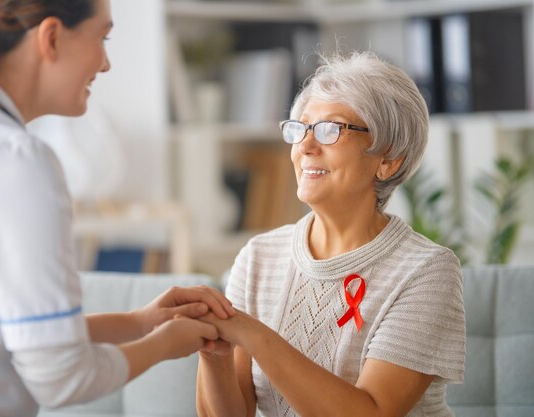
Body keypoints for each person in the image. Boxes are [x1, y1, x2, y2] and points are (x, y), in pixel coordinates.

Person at [0, 1, 234, 416]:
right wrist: (163, 346)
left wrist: (139, 322)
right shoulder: (12, 160)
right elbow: (62, 378)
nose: (106, 63)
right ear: (51, 37)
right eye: (102, 37)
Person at [196, 52, 466, 417]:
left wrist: (255, 335)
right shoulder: (258, 256)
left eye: (330, 129)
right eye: (300, 128)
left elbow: (370, 413)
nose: (305, 147)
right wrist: (215, 354)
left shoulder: (427, 270)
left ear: (389, 159)